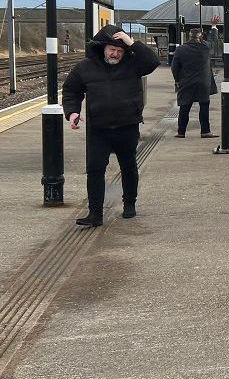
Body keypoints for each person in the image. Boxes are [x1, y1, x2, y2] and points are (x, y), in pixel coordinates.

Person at [61, 25, 160, 227]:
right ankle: (95, 213)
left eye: (120, 50)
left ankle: (129, 204)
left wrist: (131, 41)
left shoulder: (133, 64)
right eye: (111, 49)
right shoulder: (85, 67)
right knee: (95, 169)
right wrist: (72, 112)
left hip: (127, 125)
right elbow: (71, 90)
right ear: (103, 48)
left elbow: (153, 61)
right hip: (98, 128)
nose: (115, 54)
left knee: (129, 167)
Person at [171, 29, 218, 139]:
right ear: (200, 37)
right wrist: (214, 27)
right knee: (204, 106)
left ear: (189, 36)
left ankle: (181, 132)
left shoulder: (180, 49)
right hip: (203, 83)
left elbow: (174, 67)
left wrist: (177, 80)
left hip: (186, 82)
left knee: (184, 107)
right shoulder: (205, 48)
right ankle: (205, 131)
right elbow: (214, 41)